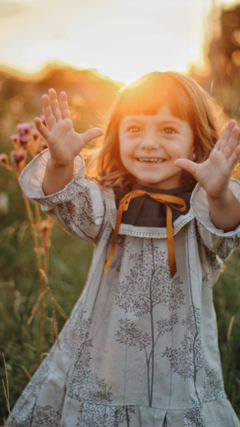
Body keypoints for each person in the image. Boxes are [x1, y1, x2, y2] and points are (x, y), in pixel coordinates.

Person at [9, 72, 240, 426]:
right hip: (102, 355)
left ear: (195, 143)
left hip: (175, 363)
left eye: (167, 130)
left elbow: (224, 232)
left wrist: (220, 192)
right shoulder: (107, 200)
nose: (148, 143)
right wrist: (59, 163)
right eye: (134, 129)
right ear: (116, 138)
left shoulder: (201, 207)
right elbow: (68, 205)